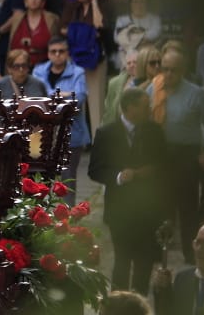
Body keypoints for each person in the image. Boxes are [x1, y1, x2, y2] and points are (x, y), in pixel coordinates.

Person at [89, 85, 170, 295]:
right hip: (119, 210)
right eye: (144, 106)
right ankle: (118, 303)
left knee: (144, 261)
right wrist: (118, 176)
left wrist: (147, 172)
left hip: (148, 209)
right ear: (128, 108)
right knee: (122, 261)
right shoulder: (106, 133)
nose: (149, 110)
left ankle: (139, 303)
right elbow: (95, 169)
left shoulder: (154, 131)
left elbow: (164, 164)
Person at [148, 45, 204, 264]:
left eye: (174, 70)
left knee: (187, 207)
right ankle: (158, 252)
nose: (169, 74)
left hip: (186, 156)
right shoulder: (154, 90)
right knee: (160, 204)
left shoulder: (196, 94)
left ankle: (191, 254)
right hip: (160, 154)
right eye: (166, 68)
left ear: (183, 71)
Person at [32, 34, 91, 203]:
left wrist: (52, 94)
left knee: (67, 181)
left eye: (61, 51)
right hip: (43, 136)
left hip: (72, 136)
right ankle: (41, 221)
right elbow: (38, 96)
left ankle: (67, 221)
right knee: (41, 181)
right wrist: (64, 95)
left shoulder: (78, 72)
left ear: (67, 53)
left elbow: (78, 99)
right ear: (48, 54)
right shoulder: (38, 70)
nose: (57, 54)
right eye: (54, 51)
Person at [62, 0, 111, 131]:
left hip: (95, 59)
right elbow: (62, 29)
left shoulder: (102, 5)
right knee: (76, 100)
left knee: (96, 102)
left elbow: (100, 26)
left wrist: (95, 3)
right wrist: (87, 32)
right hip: (75, 58)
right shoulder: (73, 7)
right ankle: (78, 140)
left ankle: (98, 141)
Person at [0, 0, 61, 68]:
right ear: (25, 2)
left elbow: (57, 44)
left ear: (42, 2)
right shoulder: (17, 19)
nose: (33, 0)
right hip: (19, 67)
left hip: (45, 67)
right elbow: (11, 47)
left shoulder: (52, 19)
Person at [105, 44, 163, 133]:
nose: (157, 66)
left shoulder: (164, 82)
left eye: (159, 62)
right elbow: (122, 110)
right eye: (152, 63)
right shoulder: (134, 84)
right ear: (143, 64)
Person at [0, 47, 50, 115]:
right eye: (16, 66)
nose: (21, 70)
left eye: (24, 65)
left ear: (28, 66)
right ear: (9, 68)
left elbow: (46, 109)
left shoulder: (38, 84)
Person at [114, 0, 163, 73]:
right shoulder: (122, 20)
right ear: (130, 4)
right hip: (127, 61)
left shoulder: (155, 19)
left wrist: (130, 36)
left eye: (142, 1)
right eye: (135, 1)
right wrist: (144, 40)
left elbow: (155, 34)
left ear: (147, 3)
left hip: (148, 61)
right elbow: (117, 38)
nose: (139, 5)